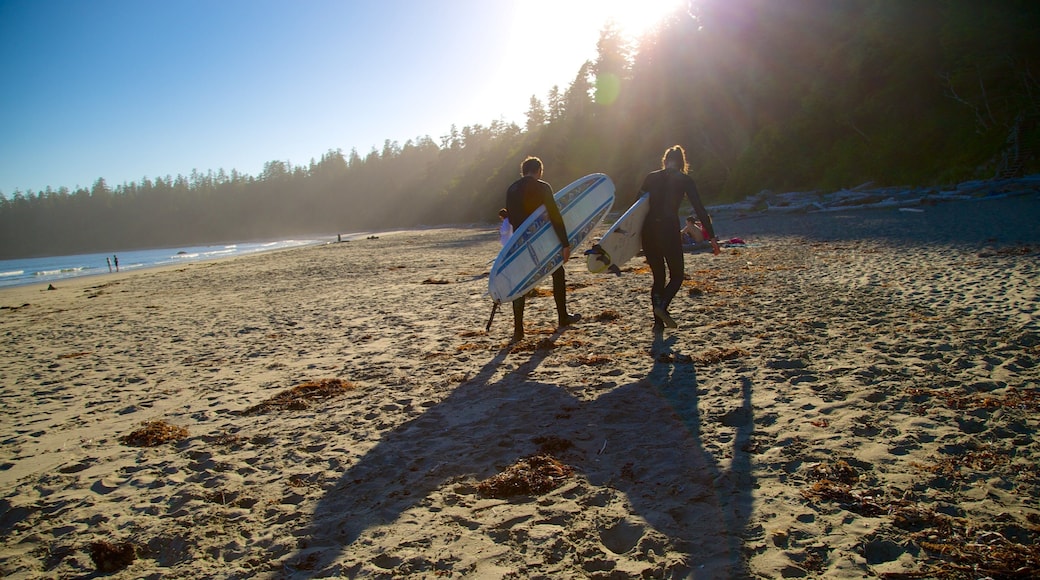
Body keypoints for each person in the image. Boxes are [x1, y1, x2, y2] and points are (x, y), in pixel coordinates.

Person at [640, 145, 720, 331]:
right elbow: (699, 209)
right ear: (682, 162)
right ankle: (662, 307)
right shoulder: (684, 180)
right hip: (668, 230)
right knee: (676, 275)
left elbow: (636, 208)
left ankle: (658, 324)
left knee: (658, 278)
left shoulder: (650, 178)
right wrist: (712, 237)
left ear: (665, 160)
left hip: (649, 230)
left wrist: (631, 238)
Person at [505, 156, 580, 342]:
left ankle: (518, 329)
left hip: (520, 243)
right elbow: (555, 216)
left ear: (523, 171)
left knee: (520, 282)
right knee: (557, 272)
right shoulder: (543, 187)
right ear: (539, 171)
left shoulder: (512, 189)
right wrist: (565, 243)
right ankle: (563, 317)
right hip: (542, 242)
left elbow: (512, 219)